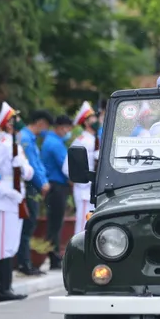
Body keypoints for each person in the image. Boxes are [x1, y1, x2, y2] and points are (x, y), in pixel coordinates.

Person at [0, 102, 32, 302]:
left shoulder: (15, 145)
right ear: (7, 124)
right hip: (5, 200)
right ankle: (4, 288)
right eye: (13, 120)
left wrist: (23, 169)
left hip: (19, 197)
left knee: (12, 244)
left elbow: (29, 172)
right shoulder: (2, 146)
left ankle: (8, 286)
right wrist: (6, 192)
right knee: (3, 245)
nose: (17, 123)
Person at [16, 110, 52, 276]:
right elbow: (30, 166)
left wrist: (43, 181)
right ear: (40, 123)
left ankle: (25, 262)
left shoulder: (30, 139)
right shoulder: (25, 139)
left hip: (34, 186)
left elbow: (38, 165)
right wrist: (42, 183)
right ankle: (24, 263)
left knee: (29, 225)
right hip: (29, 186)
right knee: (27, 225)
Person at [41, 114, 73, 269]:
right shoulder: (55, 144)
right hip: (57, 187)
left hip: (55, 187)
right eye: (66, 128)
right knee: (55, 223)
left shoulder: (52, 141)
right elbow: (67, 167)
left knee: (54, 222)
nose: (68, 131)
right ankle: (54, 258)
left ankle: (53, 255)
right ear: (60, 127)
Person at [64, 101, 98, 235]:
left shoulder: (94, 139)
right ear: (86, 122)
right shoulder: (81, 140)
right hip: (84, 190)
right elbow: (67, 168)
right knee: (82, 227)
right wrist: (83, 181)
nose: (96, 120)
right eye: (92, 118)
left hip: (93, 190)